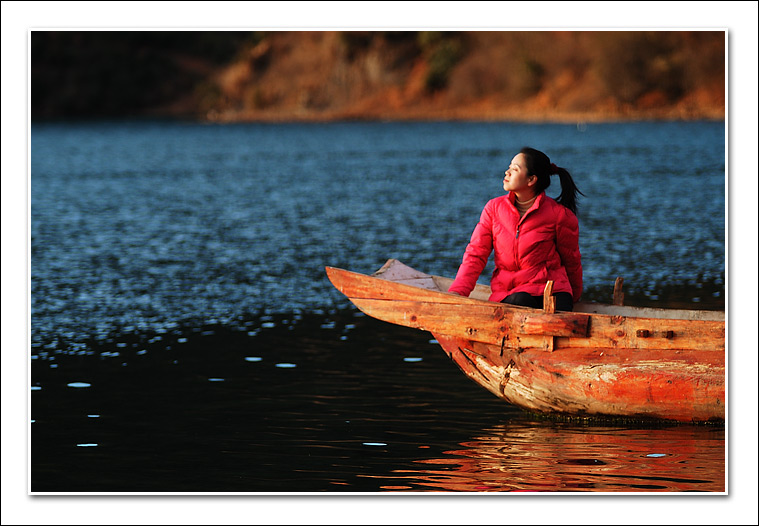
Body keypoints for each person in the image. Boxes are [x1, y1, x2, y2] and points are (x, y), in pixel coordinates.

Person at [448, 147, 583, 311]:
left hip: (551, 292)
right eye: (509, 167)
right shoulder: (493, 209)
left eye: (515, 169)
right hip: (511, 294)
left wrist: (574, 298)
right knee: (521, 300)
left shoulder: (560, 215)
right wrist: (458, 292)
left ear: (531, 179)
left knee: (558, 310)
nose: (507, 172)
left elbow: (572, 261)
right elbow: (476, 254)